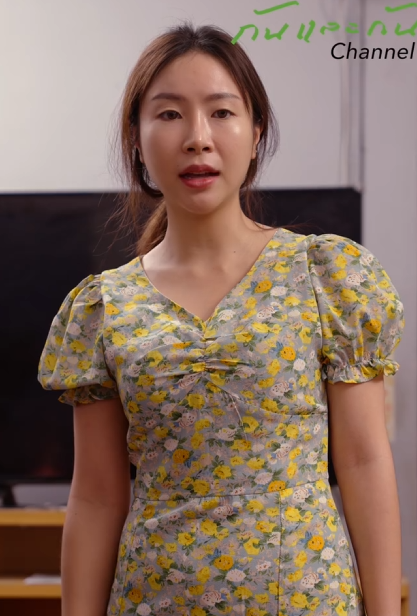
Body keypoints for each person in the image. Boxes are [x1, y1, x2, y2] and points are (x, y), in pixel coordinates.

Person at [38, 21, 405, 616]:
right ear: (136, 139)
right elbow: (98, 497)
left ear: (256, 133)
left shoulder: (327, 277)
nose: (197, 138)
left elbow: (363, 461)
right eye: (169, 114)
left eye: (222, 112)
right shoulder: (103, 307)